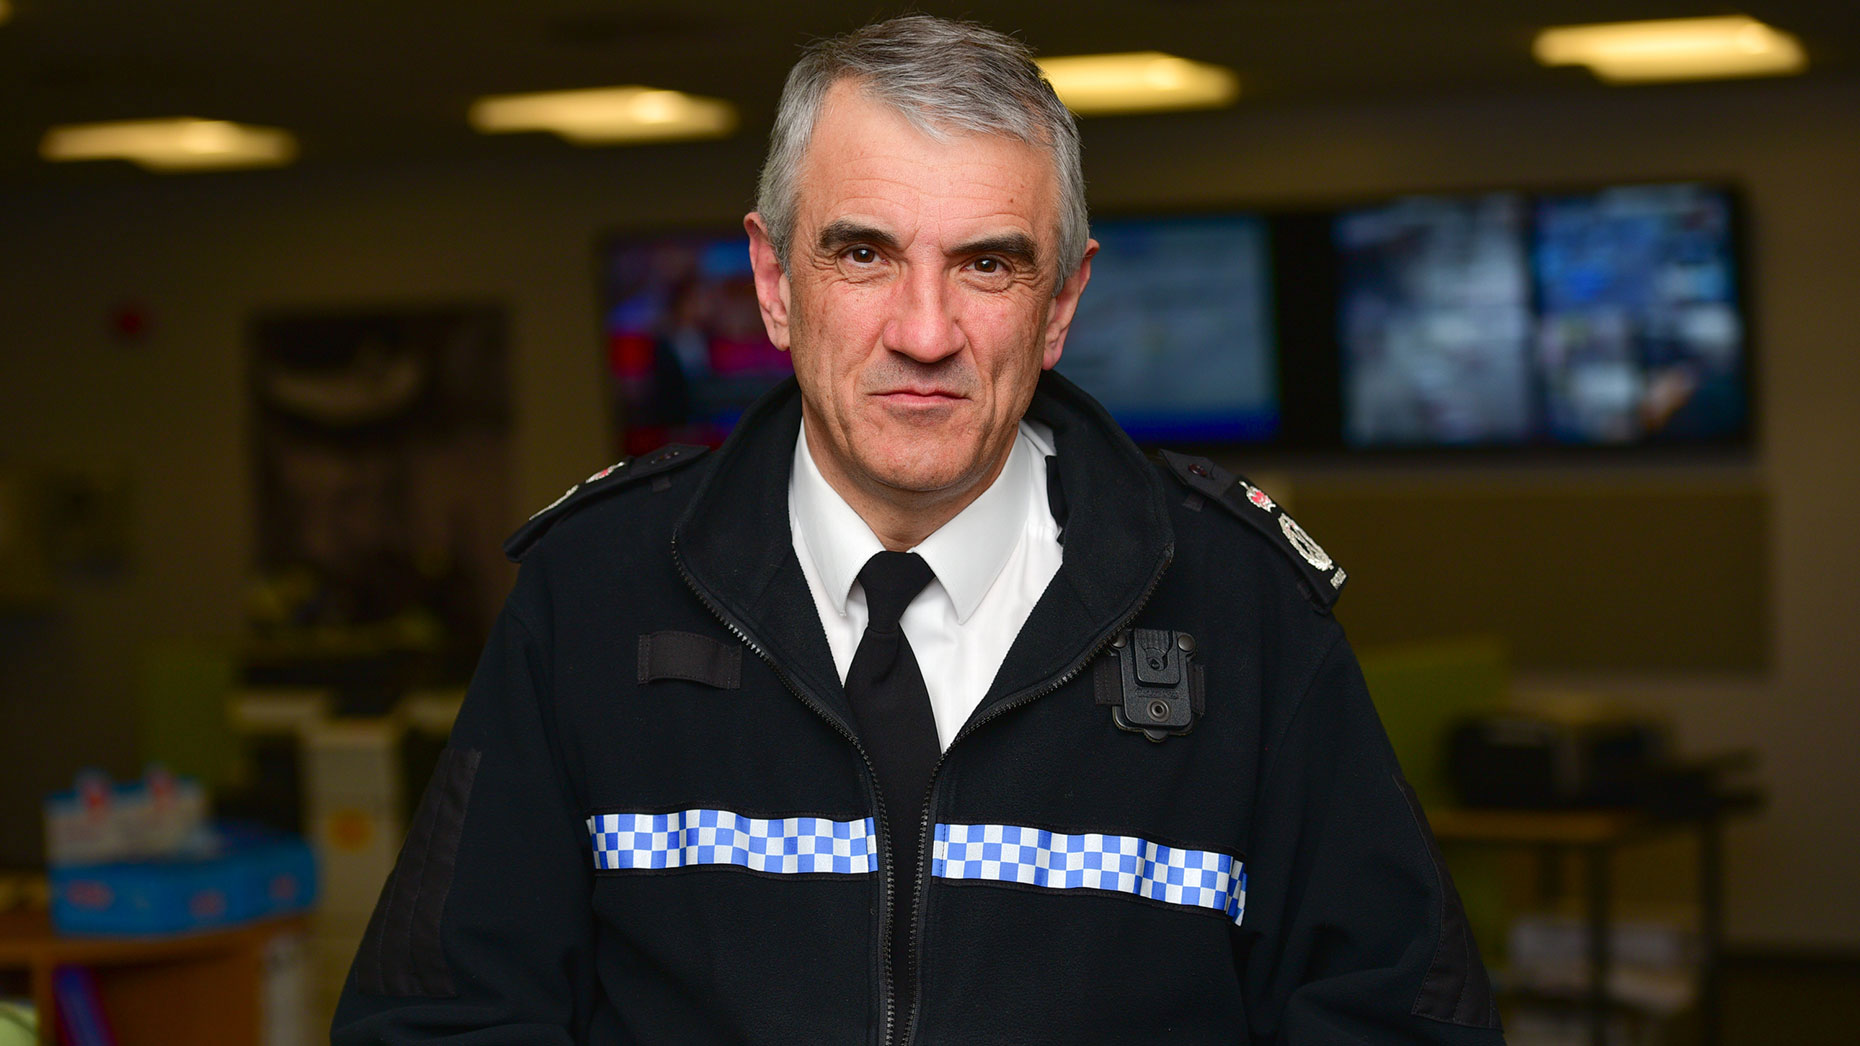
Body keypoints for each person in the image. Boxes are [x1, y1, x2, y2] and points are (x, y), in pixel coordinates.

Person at [333, 14, 1504, 1045]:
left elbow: (1397, 1015)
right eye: (864, 253)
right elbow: (440, 1016)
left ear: (1060, 306)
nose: (926, 328)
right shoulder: (593, 596)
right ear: (775, 281)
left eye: (988, 263)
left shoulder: (1243, 614)